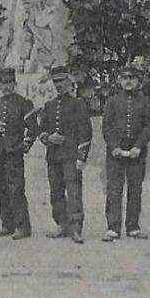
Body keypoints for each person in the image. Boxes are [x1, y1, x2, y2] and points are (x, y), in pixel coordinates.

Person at [35, 64, 93, 242]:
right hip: (54, 156)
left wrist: (82, 157)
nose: (59, 85)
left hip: (71, 156)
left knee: (73, 191)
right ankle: (62, 224)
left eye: (61, 81)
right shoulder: (50, 106)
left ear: (69, 81)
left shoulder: (78, 104)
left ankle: (76, 227)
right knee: (56, 192)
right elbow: (41, 130)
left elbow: (86, 132)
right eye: (56, 82)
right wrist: (48, 138)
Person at [102, 62, 150, 241]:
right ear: (119, 81)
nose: (128, 82)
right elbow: (107, 126)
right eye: (124, 78)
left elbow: (149, 126)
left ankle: (133, 226)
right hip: (116, 152)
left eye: (132, 78)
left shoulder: (145, 102)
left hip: (136, 152)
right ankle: (113, 227)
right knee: (114, 189)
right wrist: (114, 146)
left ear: (139, 81)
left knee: (135, 188)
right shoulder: (112, 102)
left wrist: (138, 146)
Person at [0, 67, 34, 240]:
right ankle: (7, 224)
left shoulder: (23, 103)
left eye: (9, 83)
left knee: (16, 189)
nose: (6, 87)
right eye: (3, 83)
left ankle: (23, 226)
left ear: (15, 84)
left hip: (14, 151)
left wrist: (25, 145)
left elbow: (32, 128)